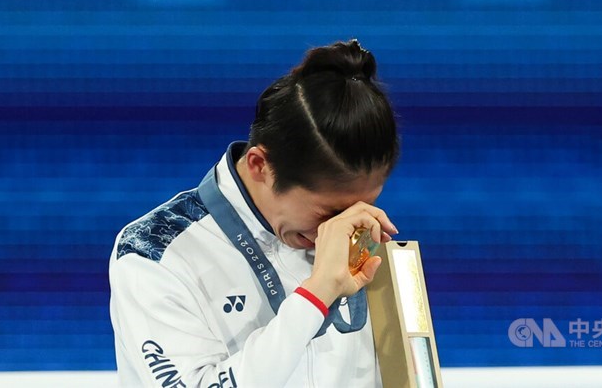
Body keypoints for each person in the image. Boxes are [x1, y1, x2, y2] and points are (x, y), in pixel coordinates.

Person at [109, 39, 400, 387]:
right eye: (328, 213)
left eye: (362, 205)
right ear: (260, 165)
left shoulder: (358, 228)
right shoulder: (152, 251)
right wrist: (316, 295)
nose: (343, 229)